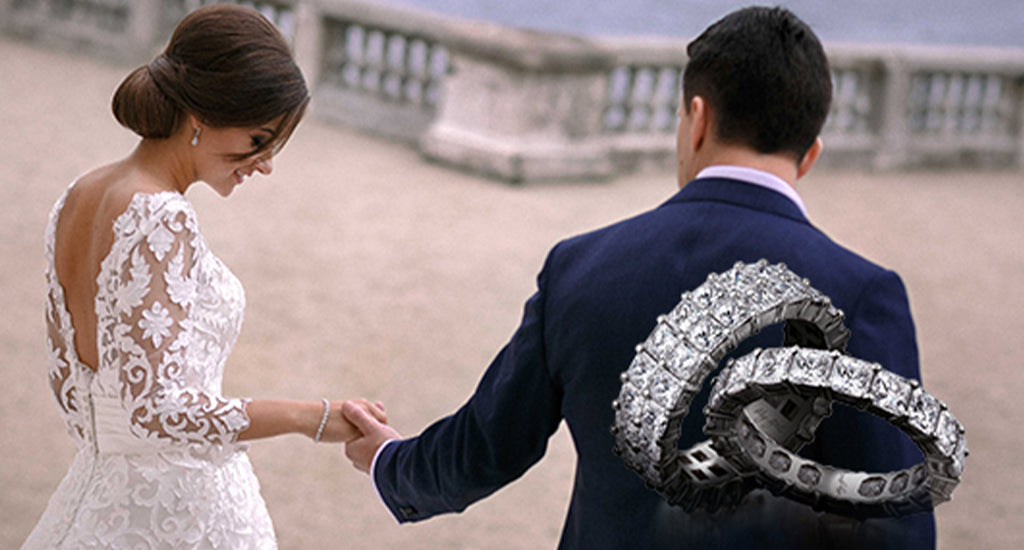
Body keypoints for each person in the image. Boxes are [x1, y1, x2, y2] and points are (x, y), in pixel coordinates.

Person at [341, 6, 936, 550]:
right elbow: (896, 532)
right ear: (811, 154)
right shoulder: (860, 295)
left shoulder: (581, 266)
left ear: (696, 119)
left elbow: (482, 450)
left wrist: (388, 460)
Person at [22, 5, 383, 549]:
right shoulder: (161, 216)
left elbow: (77, 389)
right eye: (259, 140)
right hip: (178, 515)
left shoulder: (79, 194)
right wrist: (311, 416)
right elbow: (158, 408)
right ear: (201, 117)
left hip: (95, 501)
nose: (264, 164)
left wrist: (113, 453)